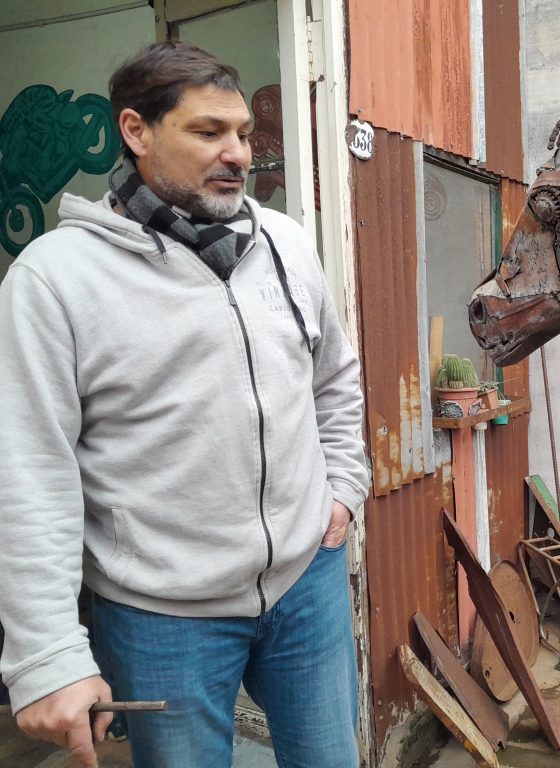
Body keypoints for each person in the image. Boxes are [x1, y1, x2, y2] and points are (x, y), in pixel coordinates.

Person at [0, 42, 370, 768]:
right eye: (208, 133)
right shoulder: (54, 280)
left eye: (242, 133)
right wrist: (45, 653)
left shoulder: (286, 244)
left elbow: (334, 378)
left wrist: (345, 489)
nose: (237, 153)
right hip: (162, 614)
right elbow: (29, 471)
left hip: (307, 581)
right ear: (137, 132)